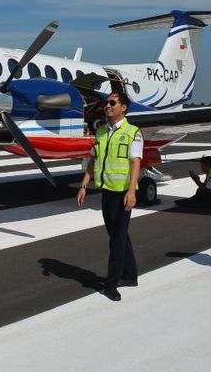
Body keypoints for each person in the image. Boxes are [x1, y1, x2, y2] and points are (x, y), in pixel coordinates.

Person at [76, 91, 143, 302]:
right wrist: (84, 185)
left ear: (123, 107)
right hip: (107, 191)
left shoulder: (133, 132)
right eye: (106, 102)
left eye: (112, 102)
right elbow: (93, 162)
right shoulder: (102, 132)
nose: (107, 105)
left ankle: (111, 283)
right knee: (118, 235)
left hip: (123, 192)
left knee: (116, 239)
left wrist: (132, 191)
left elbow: (135, 163)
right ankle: (131, 275)